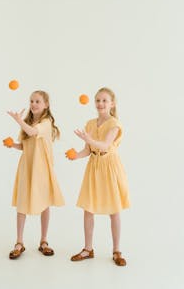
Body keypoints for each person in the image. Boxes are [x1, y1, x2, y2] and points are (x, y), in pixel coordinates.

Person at [67, 87, 130, 266]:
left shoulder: (115, 124)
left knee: (114, 210)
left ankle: (117, 251)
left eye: (104, 100)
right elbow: (88, 150)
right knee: (88, 209)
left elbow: (104, 145)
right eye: (98, 100)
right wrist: (75, 155)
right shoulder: (89, 124)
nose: (100, 104)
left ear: (112, 103)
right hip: (94, 168)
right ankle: (88, 249)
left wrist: (88, 139)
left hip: (109, 168)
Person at [4, 90, 65, 259]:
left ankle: (44, 241)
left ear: (46, 105)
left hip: (42, 168)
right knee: (22, 202)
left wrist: (18, 120)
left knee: (44, 203)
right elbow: (25, 145)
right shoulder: (27, 123)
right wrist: (13, 145)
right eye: (31, 101)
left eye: (38, 101)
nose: (33, 104)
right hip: (27, 167)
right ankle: (19, 242)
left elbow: (33, 132)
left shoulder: (46, 123)